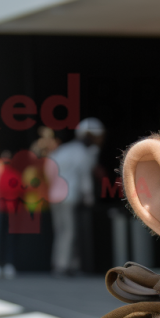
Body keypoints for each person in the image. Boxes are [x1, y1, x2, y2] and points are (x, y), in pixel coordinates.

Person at [48, 118, 104, 276]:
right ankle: (64, 266)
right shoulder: (82, 153)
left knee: (61, 230)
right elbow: (85, 177)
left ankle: (65, 263)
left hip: (55, 196)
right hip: (69, 197)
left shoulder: (64, 150)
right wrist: (89, 197)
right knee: (69, 232)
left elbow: (49, 168)